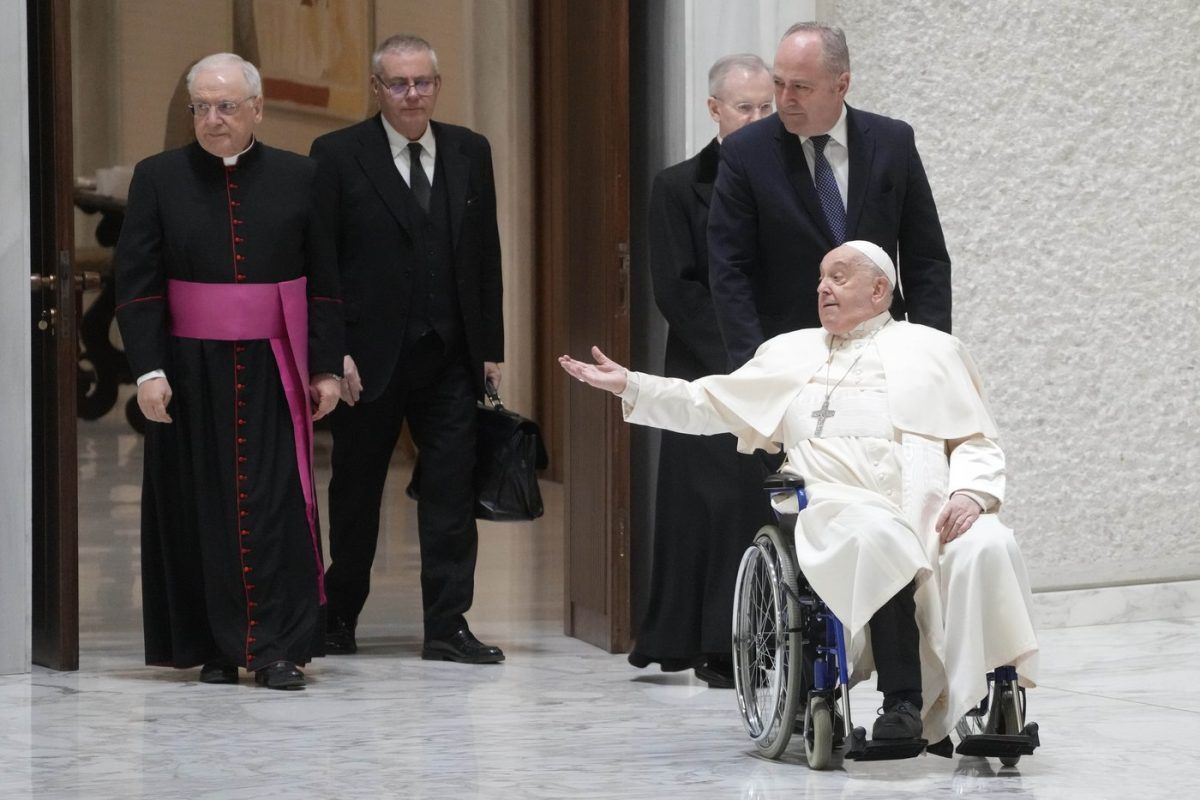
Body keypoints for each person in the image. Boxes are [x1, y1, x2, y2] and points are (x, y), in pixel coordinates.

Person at [560, 241, 1039, 745]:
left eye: (838, 277)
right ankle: (903, 702)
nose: (822, 288)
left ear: (880, 289)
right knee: (880, 538)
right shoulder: (788, 353)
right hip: (838, 507)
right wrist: (630, 386)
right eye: (819, 279)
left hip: (934, 506)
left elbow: (975, 440)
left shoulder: (934, 349)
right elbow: (706, 403)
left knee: (989, 543)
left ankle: (994, 693)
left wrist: (971, 494)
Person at [115, 53, 344, 690]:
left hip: (274, 368)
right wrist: (148, 371)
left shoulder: (302, 177)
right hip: (188, 372)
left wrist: (325, 368)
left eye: (226, 106)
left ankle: (275, 648)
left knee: (274, 506)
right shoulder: (157, 177)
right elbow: (136, 286)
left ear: (257, 109)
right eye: (201, 107)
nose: (212, 120)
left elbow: (325, 284)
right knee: (198, 506)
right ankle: (213, 646)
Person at [309, 34, 505, 663]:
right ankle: (338, 617)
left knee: (451, 493)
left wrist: (490, 346)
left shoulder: (470, 151)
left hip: (449, 354)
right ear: (378, 89)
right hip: (366, 361)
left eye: (423, 82)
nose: (412, 94)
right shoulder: (337, 155)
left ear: (437, 86)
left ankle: (447, 626)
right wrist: (331, 352)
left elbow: (486, 256)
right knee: (357, 491)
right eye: (399, 83)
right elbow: (323, 263)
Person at [631, 54, 776, 688]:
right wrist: (741, 360)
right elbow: (676, 289)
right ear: (715, 110)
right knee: (708, 505)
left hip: (776, 367)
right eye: (745, 106)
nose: (757, 117)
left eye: (766, 106)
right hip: (710, 368)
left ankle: (760, 638)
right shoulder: (676, 186)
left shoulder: (791, 181)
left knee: (760, 503)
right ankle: (710, 643)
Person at [708, 22, 951, 370]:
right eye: (779, 83)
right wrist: (753, 368)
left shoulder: (892, 142)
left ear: (841, 85)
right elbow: (729, 269)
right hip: (786, 354)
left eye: (801, 87)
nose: (785, 99)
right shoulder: (746, 153)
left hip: (883, 352)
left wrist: (932, 357)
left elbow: (926, 260)